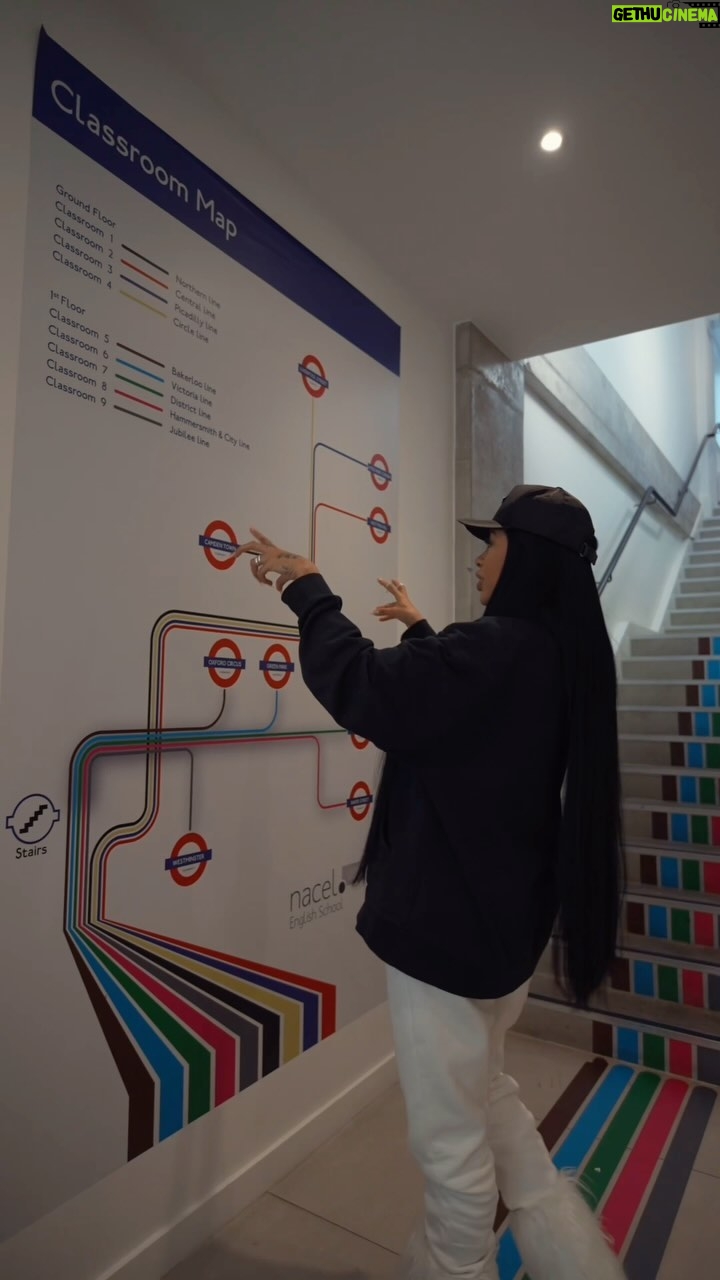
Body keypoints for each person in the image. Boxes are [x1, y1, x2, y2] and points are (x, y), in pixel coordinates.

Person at [236, 485, 625, 1280]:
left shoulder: (499, 648)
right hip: (502, 936)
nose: (480, 559)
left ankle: (457, 1265)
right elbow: (471, 719)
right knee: (488, 1089)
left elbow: (369, 686)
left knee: (450, 1150)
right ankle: (568, 1252)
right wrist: (423, 631)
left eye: (493, 542)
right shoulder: (557, 655)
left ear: (528, 557)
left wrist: (308, 588)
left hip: (448, 939)